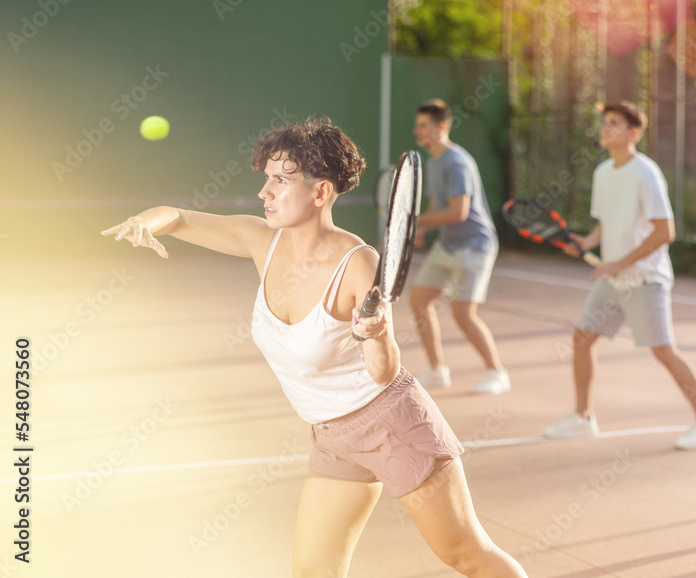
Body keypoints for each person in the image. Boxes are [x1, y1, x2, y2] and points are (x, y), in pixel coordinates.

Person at [102, 116, 528, 577]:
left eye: (280, 181)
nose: (265, 192)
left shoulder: (358, 262)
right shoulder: (261, 242)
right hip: (331, 436)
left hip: (392, 424)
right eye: (266, 179)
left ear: (321, 191)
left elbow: (385, 373)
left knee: (466, 556)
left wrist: (378, 333)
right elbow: (180, 217)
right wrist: (146, 221)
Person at [543, 101, 696, 451]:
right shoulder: (603, 172)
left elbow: (665, 231)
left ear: (634, 133)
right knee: (582, 338)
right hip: (615, 278)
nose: (606, 129)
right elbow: (605, 223)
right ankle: (583, 417)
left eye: (614, 123)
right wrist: (587, 242)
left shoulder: (646, 173)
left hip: (645, 279)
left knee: (663, 351)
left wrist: (620, 262)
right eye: (604, 123)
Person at [409, 99, 510, 394]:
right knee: (419, 301)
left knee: (463, 313)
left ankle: (497, 372)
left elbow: (458, 212)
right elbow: (436, 204)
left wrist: (415, 219)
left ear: (441, 127)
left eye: (423, 126)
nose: (417, 130)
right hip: (448, 245)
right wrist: (423, 228)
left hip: (474, 246)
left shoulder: (457, 161)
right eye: (417, 125)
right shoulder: (433, 159)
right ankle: (437, 370)